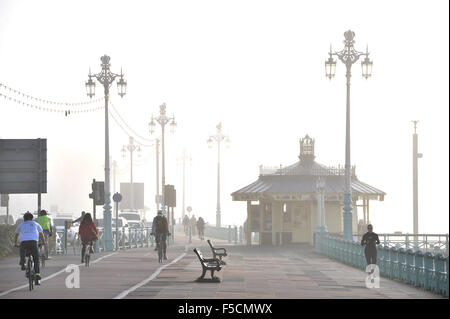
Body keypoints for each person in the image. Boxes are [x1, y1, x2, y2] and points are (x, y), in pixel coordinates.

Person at [14, 211, 45, 285]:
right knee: (36, 259)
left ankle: (23, 263)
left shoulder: (21, 224)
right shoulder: (36, 224)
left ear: (24, 219)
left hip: (24, 242)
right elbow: (41, 234)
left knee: (22, 250)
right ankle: (37, 276)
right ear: (32, 219)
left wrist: (15, 243)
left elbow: (16, 234)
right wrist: (43, 242)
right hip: (34, 242)